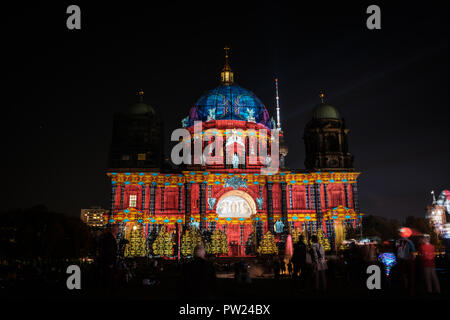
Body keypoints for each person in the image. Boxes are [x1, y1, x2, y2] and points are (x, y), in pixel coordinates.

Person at [98, 224, 119, 290]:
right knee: (108, 277)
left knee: (108, 277)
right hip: (108, 262)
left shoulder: (109, 237)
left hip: (108, 261)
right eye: (117, 229)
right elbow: (109, 251)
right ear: (114, 230)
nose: (118, 231)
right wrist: (110, 262)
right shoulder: (109, 239)